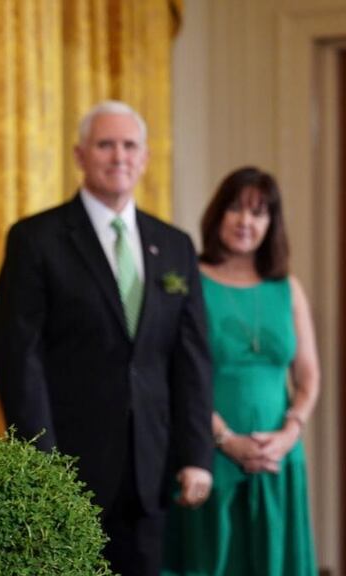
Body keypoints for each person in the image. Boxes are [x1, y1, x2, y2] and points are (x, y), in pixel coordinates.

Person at [0, 100, 214, 575]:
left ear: (145, 157)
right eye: (105, 144)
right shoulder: (36, 239)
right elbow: (19, 360)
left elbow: (192, 360)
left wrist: (197, 455)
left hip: (152, 468)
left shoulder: (175, 245)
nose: (119, 156)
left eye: (130, 145)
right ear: (79, 155)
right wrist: (41, 466)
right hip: (69, 466)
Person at [163, 167, 319, 575]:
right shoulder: (188, 280)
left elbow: (308, 376)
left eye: (258, 213)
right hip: (209, 458)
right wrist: (225, 438)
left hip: (277, 461)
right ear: (217, 214)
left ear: (272, 224)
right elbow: (173, 371)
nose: (245, 222)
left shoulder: (288, 287)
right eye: (235, 209)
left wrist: (289, 434)